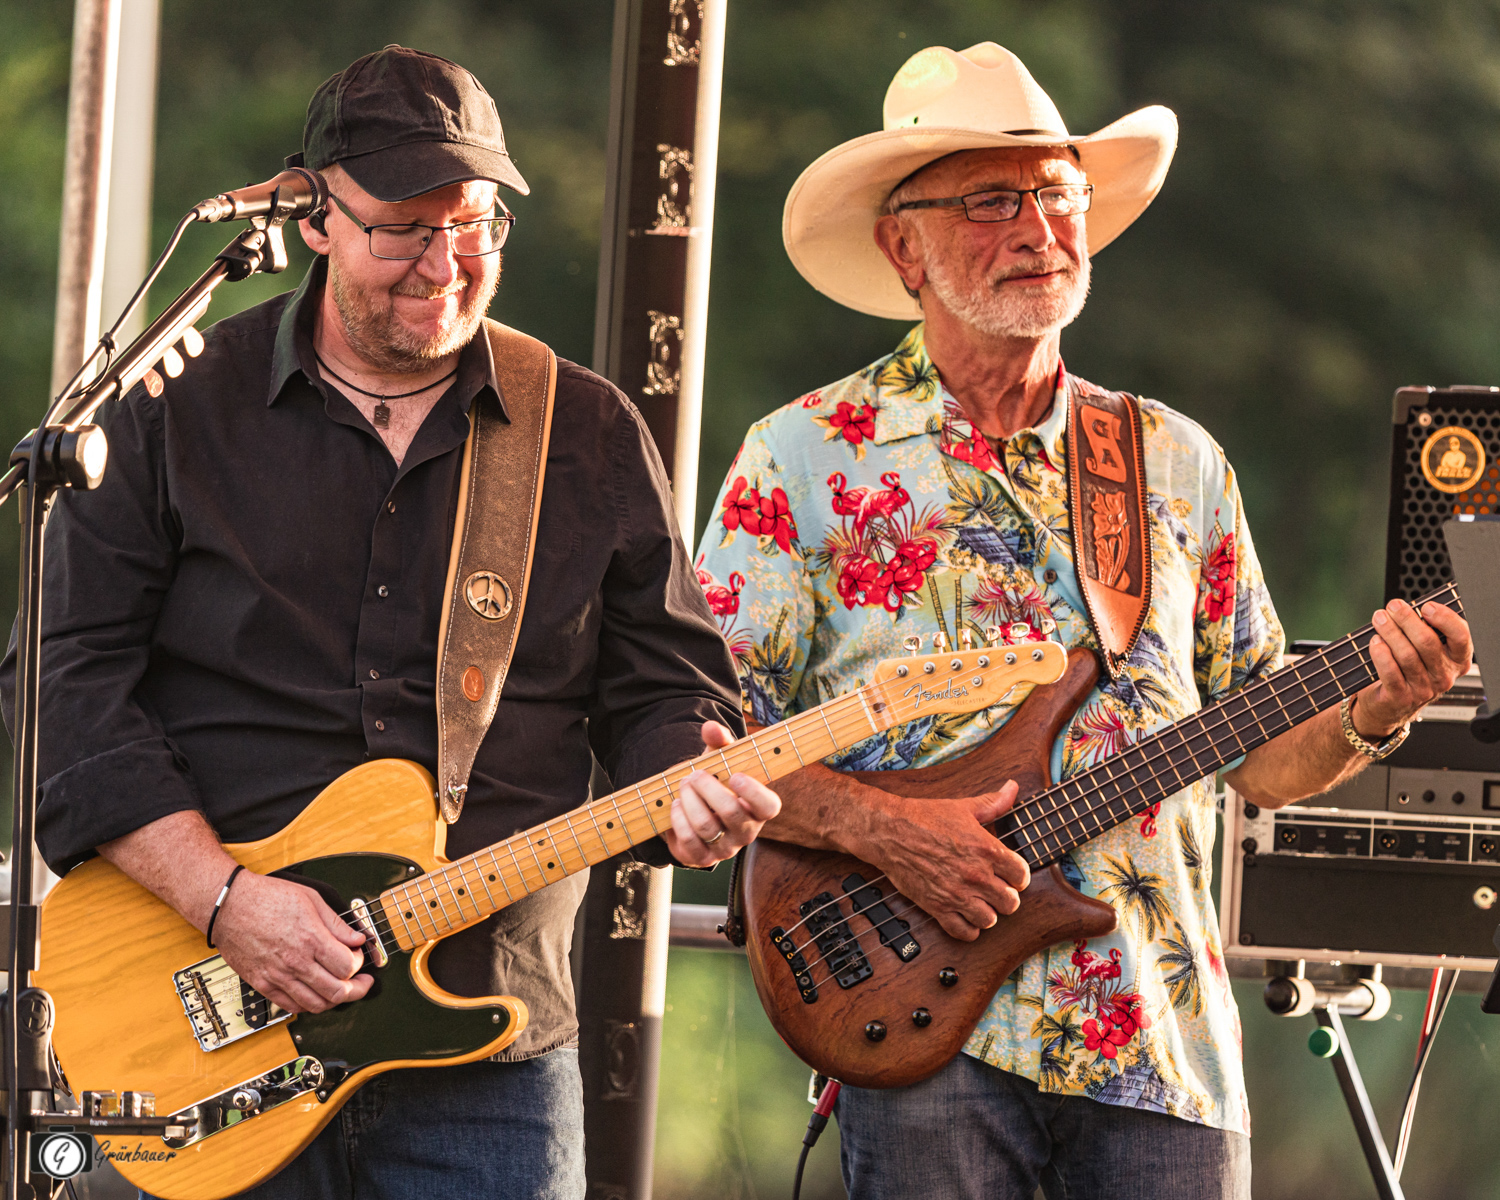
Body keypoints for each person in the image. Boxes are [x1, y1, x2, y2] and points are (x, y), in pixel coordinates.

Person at [694, 42, 1470, 1200]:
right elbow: (706, 744)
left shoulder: (1174, 458)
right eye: (990, 201)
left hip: (1161, 1034)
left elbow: (1262, 760)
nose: (1039, 227)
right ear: (903, 247)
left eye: (1058, 194)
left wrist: (1377, 710)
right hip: (921, 1030)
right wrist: (887, 831)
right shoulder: (801, 457)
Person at [9, 45, 779, 1200]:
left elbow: (663, 691)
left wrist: (693, 776)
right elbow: (63, 686)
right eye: (405, 228)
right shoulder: (171, 408)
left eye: (473, 226)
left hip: (488, 1036)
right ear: (316, 217)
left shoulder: (585, 432)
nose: (444, 262)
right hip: (205, 1007)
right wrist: (223, 900)